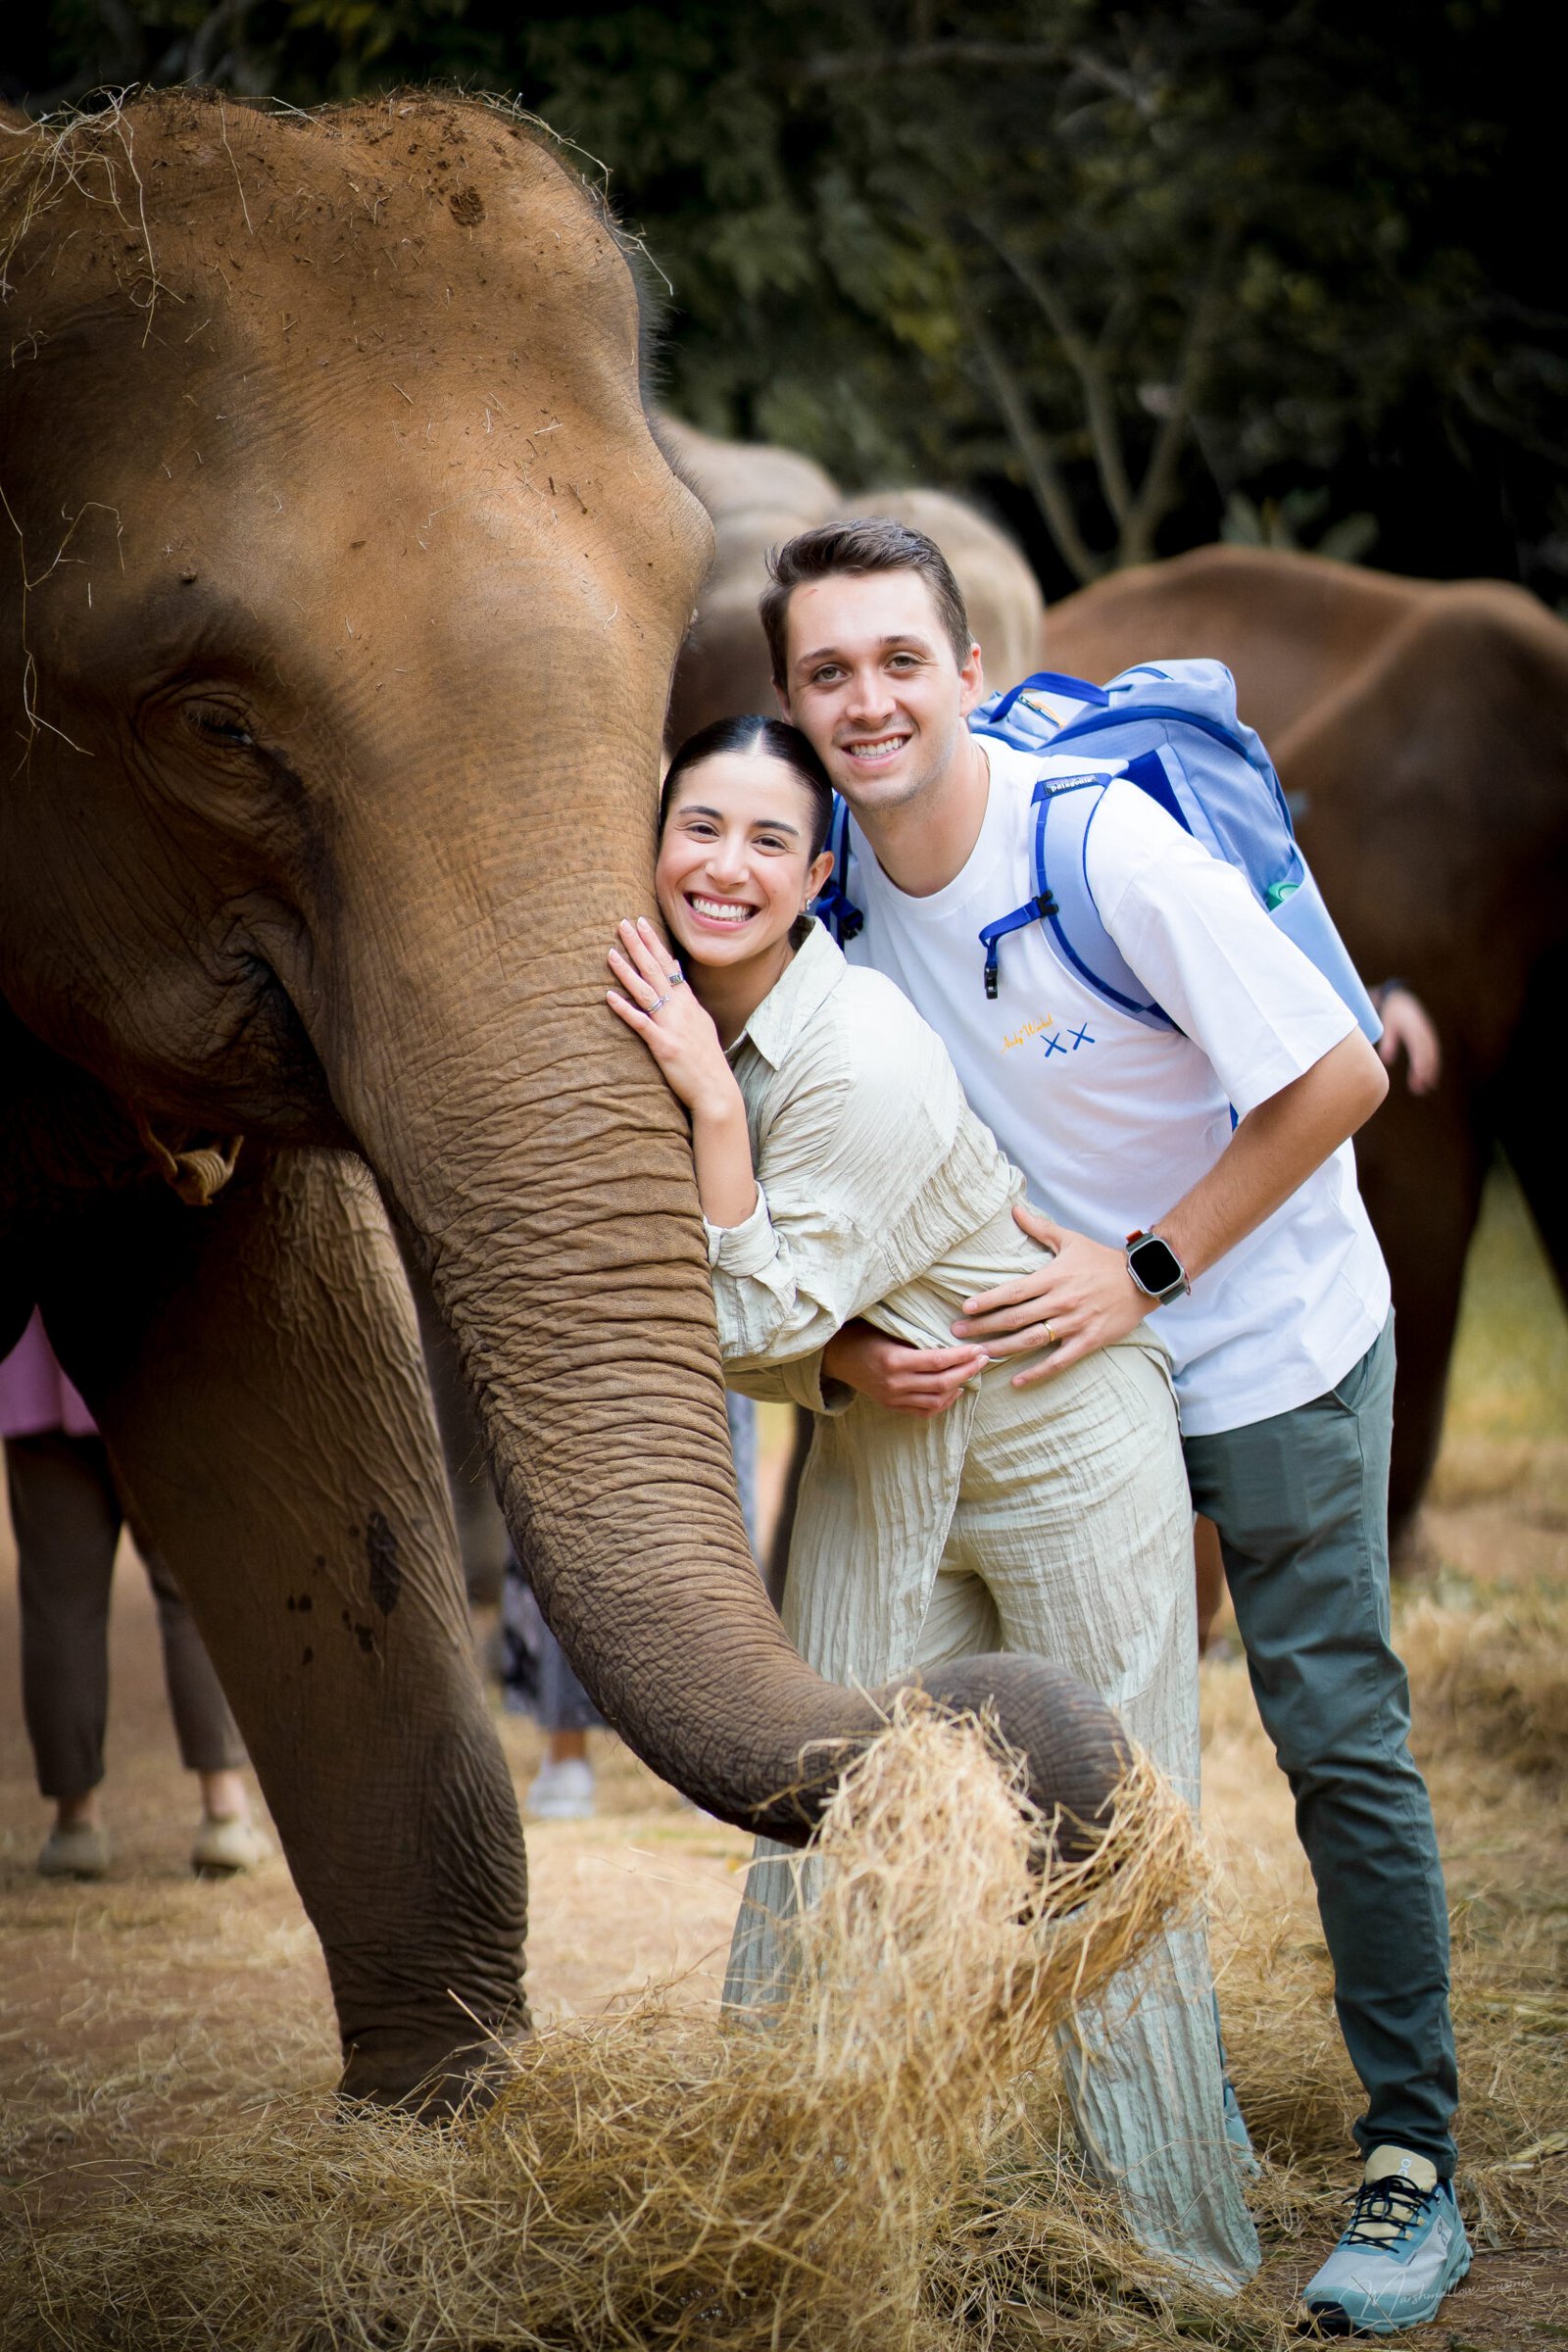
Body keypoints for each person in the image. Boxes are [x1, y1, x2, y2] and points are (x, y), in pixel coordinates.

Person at [763, 516, 1467, 2335]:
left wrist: (1147, 1266)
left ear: (967, 671)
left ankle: (1414, 2160)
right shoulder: (829, 897)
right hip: (1082, 1385)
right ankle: (1112, 2134)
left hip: (1265, 1333)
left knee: (1333, 1733)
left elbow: (1342, 1073)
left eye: (899, 660)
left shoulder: (1093, 844)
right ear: (794, 701)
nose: (868, 700)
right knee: (1070, 1764)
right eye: (828, 671)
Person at [607, 711, 1259, 2297]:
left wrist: (712, 1115)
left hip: (1061, 1431)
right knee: (816, 1808)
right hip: (890, 1435)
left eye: (771, 840)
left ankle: (1174, 2262)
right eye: (700, 827)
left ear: (816, 875)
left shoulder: (861, 1053)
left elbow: (741, 1315)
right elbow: (753, 1317)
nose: (727, 866)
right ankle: (784, 2246)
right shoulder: (655, 1013)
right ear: (654, 841)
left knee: (1113, 1838)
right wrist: (840, 1359)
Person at [2, 1310, 269, 1879]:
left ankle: (75, 1825)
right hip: (155, 1364)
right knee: (195, 1587)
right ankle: (223, 1809)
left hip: (36, 1375)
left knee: (58, 1603)